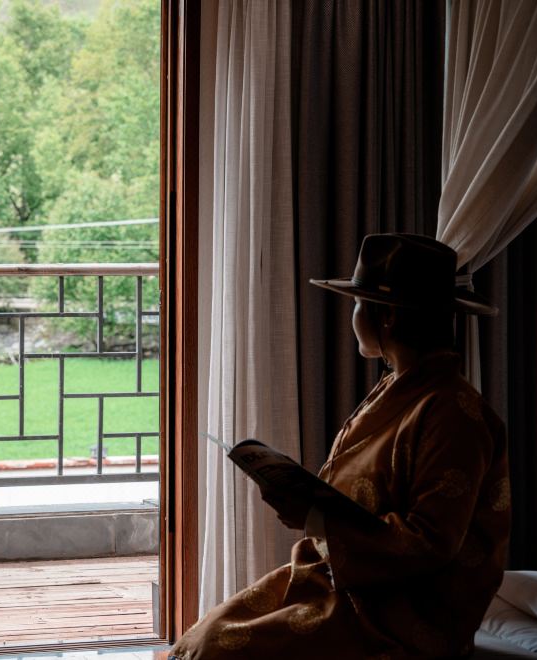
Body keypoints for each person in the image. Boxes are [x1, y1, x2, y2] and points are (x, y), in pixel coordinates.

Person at [170, 234, 511, 659]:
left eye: (358, 304)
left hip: (403, 613)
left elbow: (431, 545)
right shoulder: (401, 388)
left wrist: (315, 519)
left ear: (387, 316)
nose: (353, 316)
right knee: (207, 636)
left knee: (219, 650)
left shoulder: (453, 414)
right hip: (348, 581)